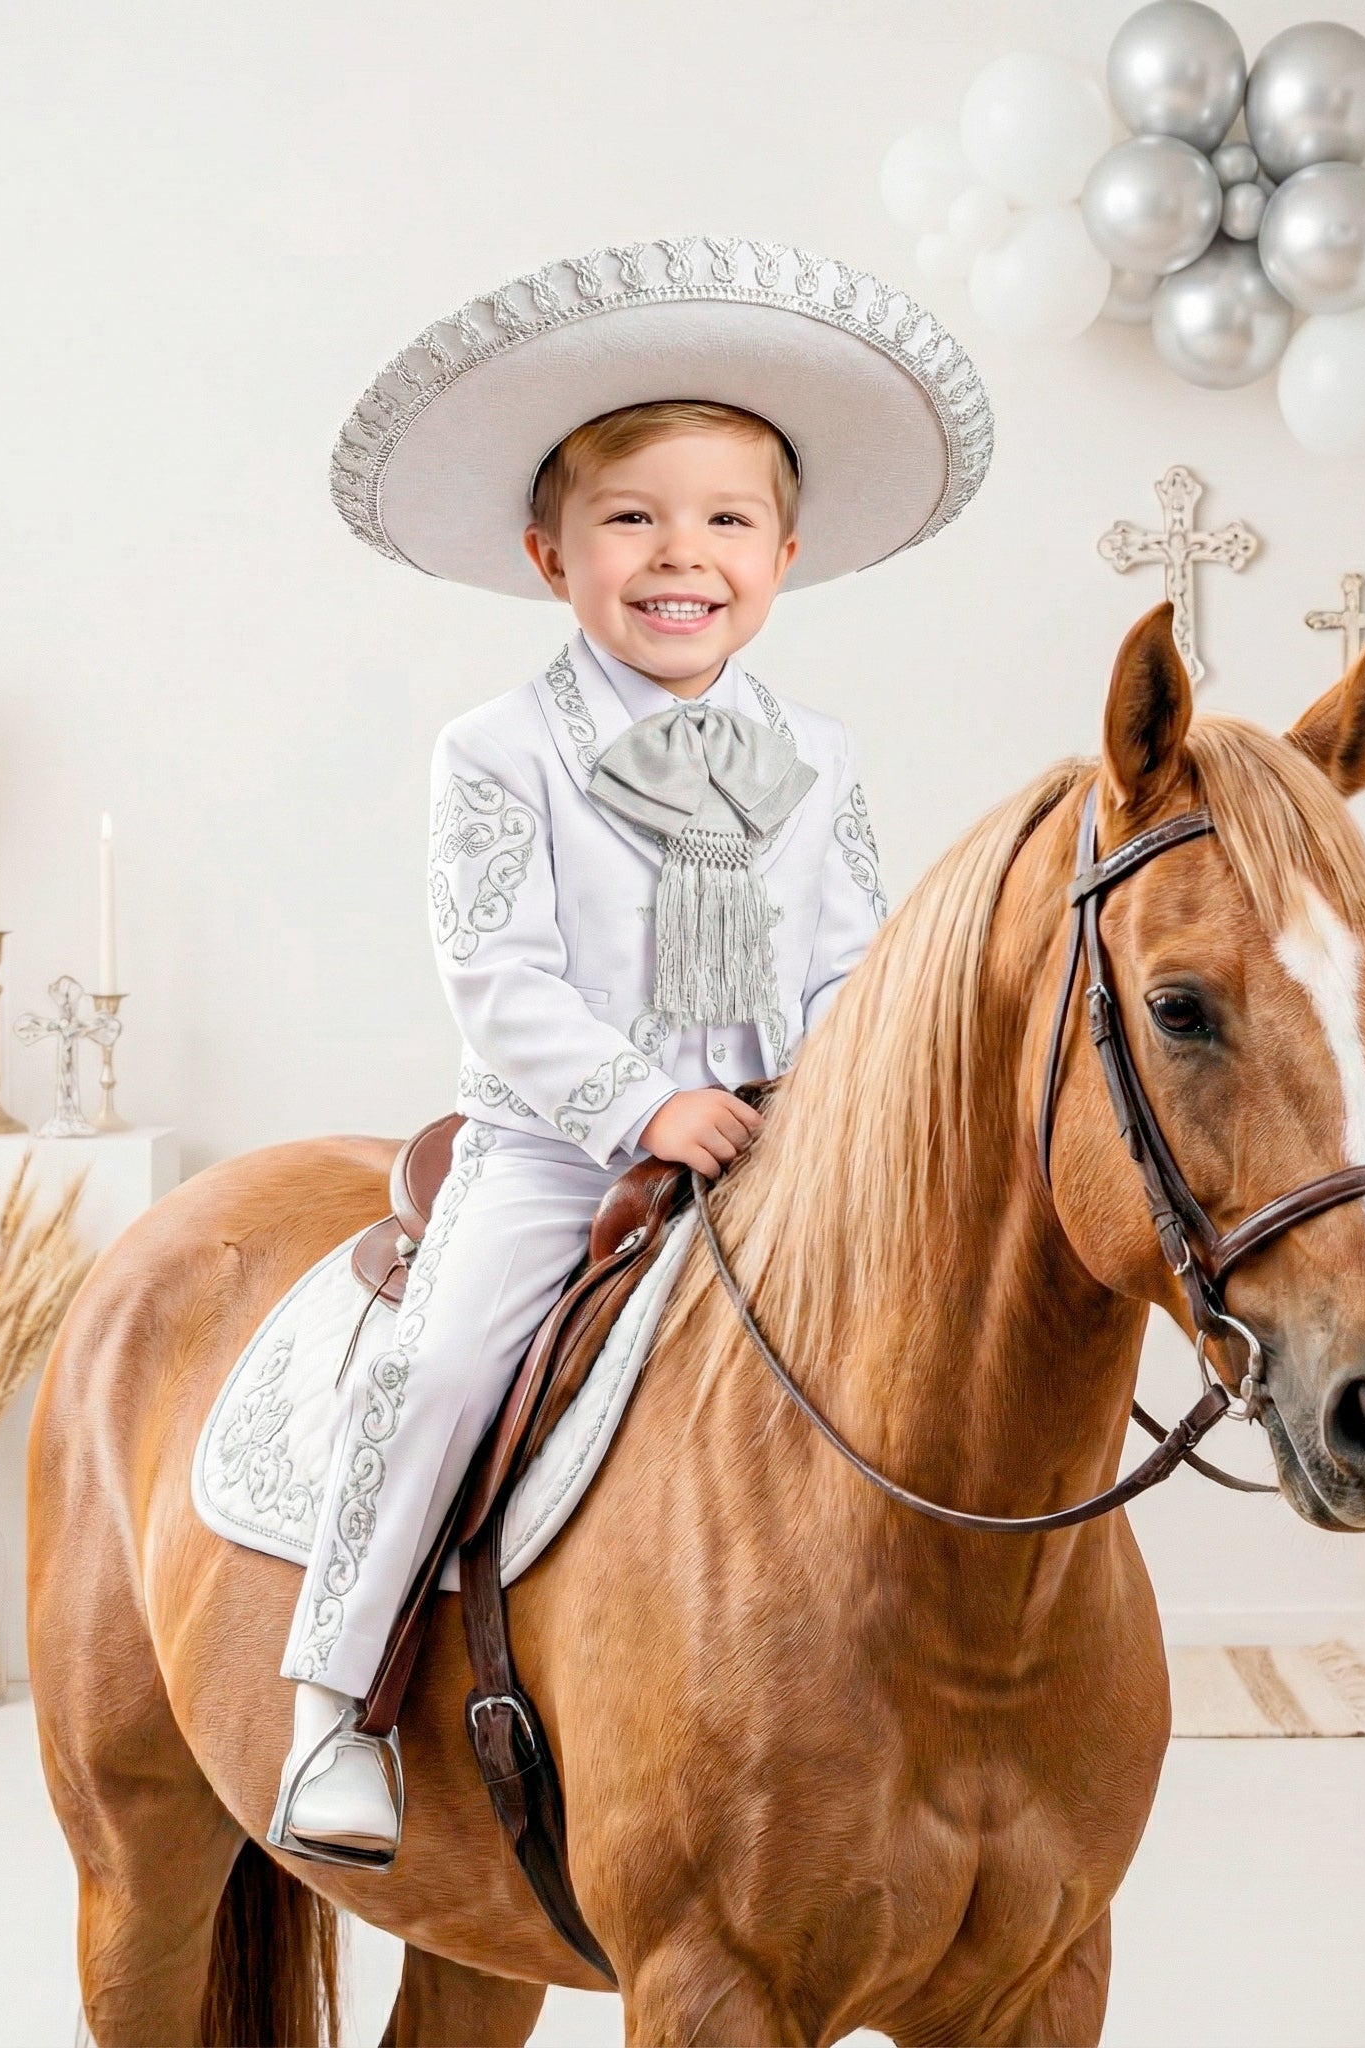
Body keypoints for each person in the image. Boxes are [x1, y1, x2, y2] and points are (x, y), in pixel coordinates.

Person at [270, 235, 993, 1861]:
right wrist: (646, 1101)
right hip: (561, 1147)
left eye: (727, 521)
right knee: (444, 1363)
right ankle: (338, 1711)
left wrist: (827, 1100)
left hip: (781, 1144)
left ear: (785, 553)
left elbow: (853, 963)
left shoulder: (817, 758)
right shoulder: (501, 749)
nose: (683, 556)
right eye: (631, 520)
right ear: (551, 554)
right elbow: (498, 970)